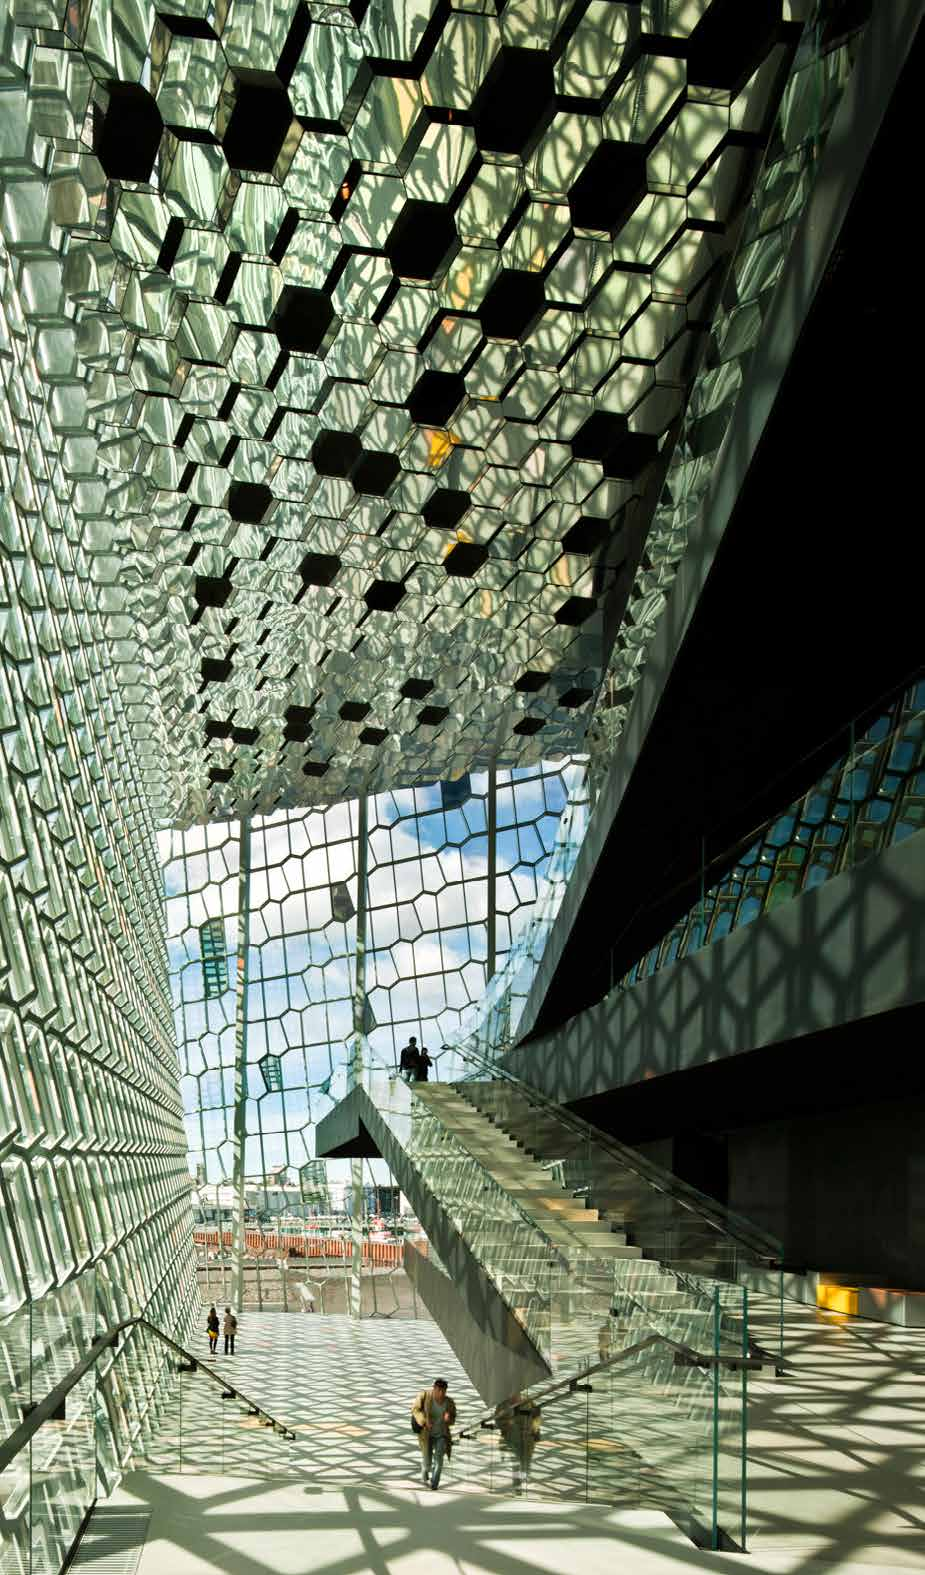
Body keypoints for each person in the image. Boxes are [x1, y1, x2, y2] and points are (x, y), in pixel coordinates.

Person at [411, 1378, 456, 1490]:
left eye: (443, 1391)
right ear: (434, 1388)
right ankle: (424, 1472)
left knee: (439, 1460)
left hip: (441, 1434)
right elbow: (415, 1409)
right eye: (439, 1390)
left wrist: (448, 1419)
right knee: (427, 1462)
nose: (441, 1394)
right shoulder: (425, 1395)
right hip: (427, 1435)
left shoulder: (449, 1402)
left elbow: (453, 1418)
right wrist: (424, 1421)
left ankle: (434, 1484)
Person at [495, 1393, 541, 1490]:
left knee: (526, 1461)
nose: (515, 1394)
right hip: (512, 1438)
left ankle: (523, 1480)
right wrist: (508, 1423)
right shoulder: (503, 1405)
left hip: (527, 1438)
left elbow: (537, 1417)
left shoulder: (528, 1402)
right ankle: (517, 1484)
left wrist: (535, 1431)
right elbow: (498, 1420)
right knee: (516, 1463)